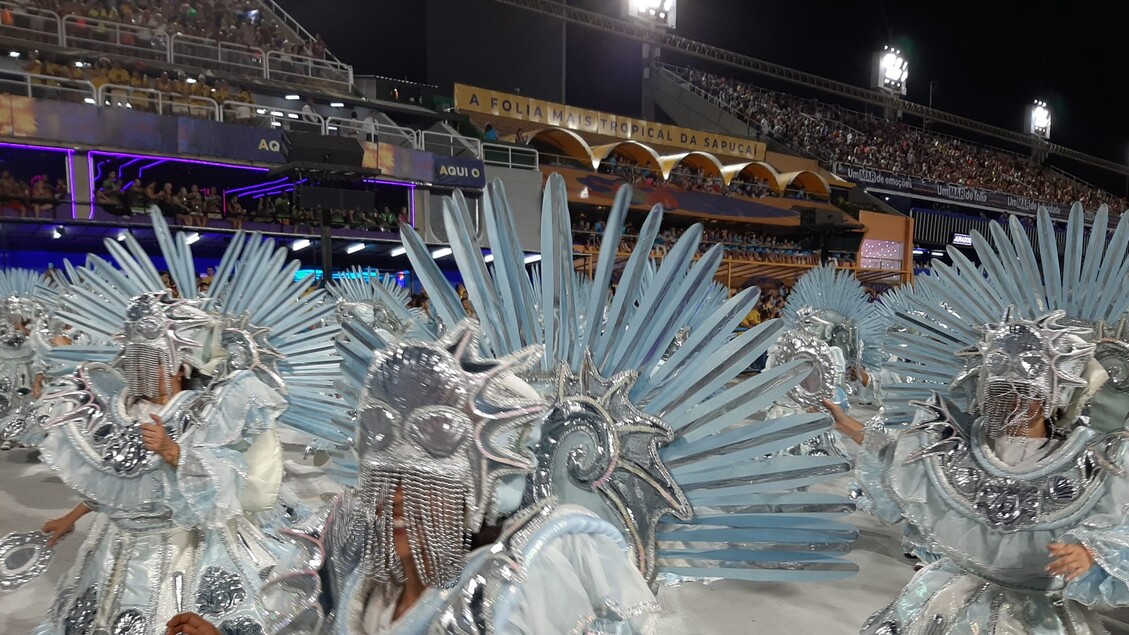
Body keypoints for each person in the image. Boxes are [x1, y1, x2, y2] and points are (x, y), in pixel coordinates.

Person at [169, 323, 659, 635]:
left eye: (427, 492)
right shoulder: (361, 579)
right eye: (386, 487)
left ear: (476, 494)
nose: (397, 505)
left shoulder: (516, 585)